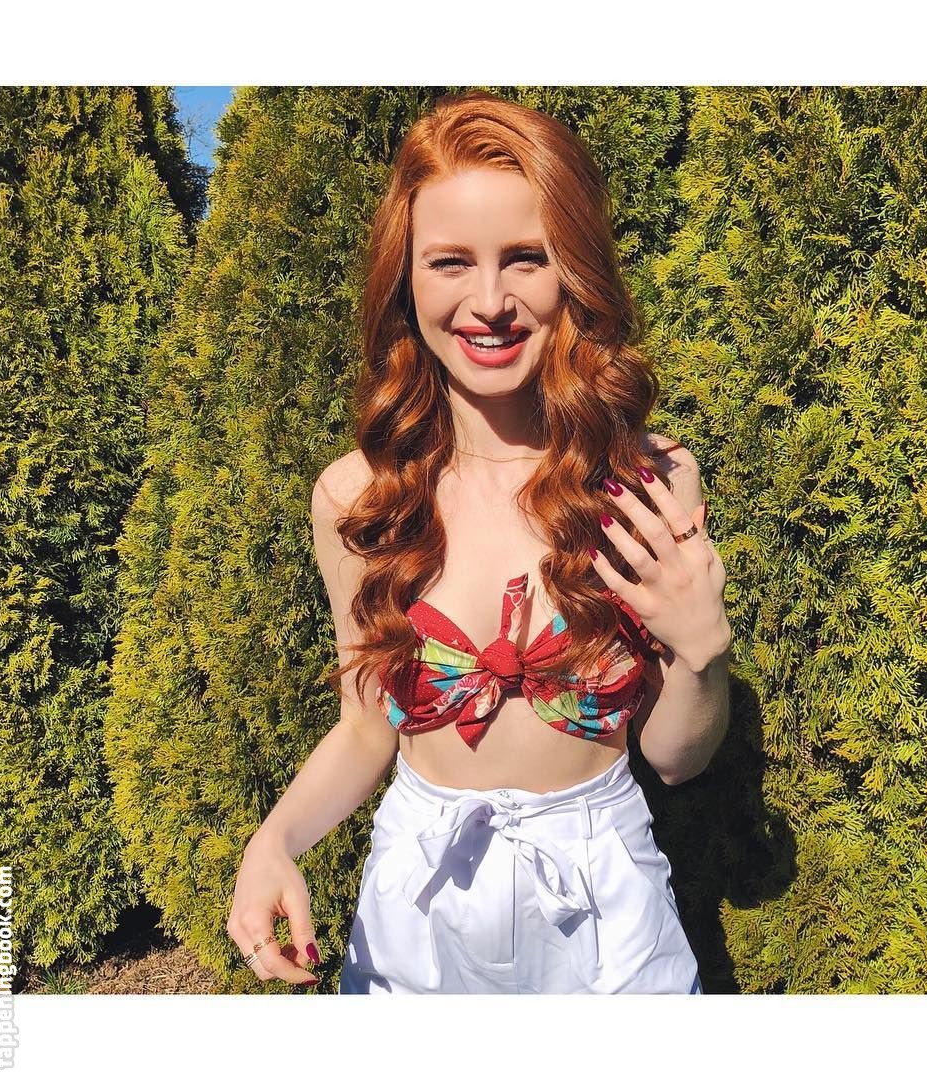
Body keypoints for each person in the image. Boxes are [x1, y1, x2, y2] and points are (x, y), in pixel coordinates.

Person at [226, 89, 732, 994]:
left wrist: (701, 654)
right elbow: (365, 728)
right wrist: (275, 841)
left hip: (609, 904)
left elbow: (675, 758)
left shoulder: (648, 480)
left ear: (572, 270)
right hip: (417, 905)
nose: (489, 301)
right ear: (406, 278)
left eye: (526, 258)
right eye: (450, 262)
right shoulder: (360, 499)